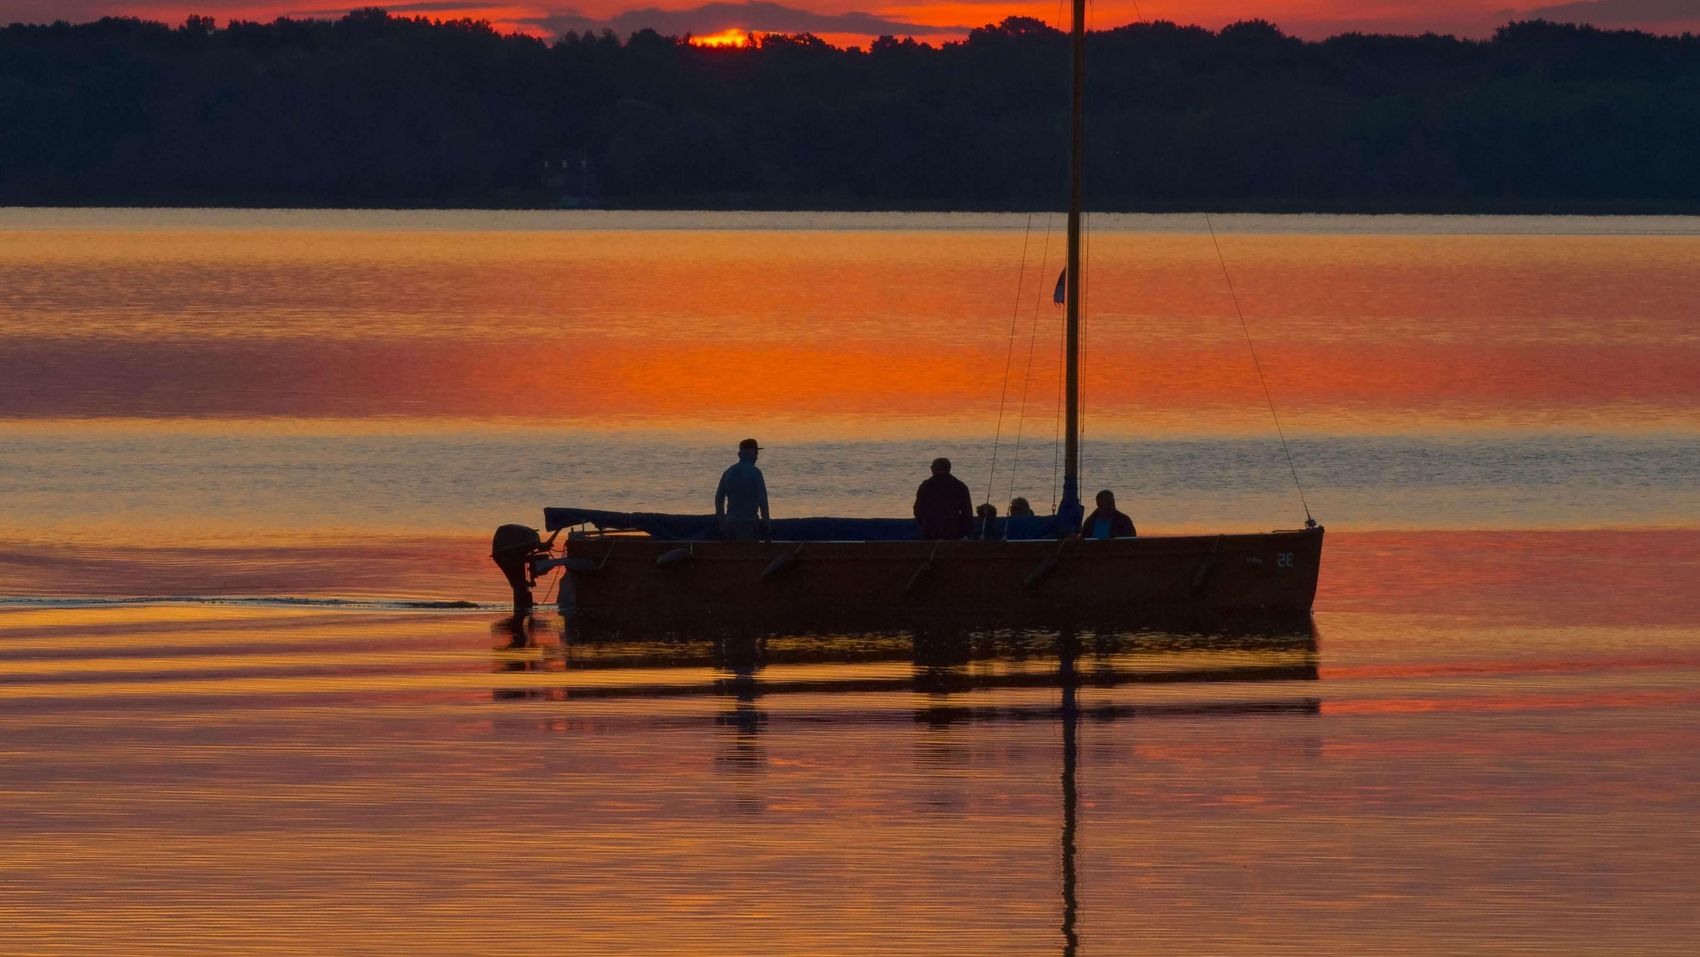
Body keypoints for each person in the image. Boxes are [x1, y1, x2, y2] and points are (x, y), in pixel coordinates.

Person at [490, 523, 558, 613]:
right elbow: (529, 553)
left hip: (503, 553)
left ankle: (522, 609)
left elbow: (526, 555)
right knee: (519, 584)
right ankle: (522, 609)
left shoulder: (530, 540)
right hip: (505, 554)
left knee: (518, 584)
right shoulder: (531, 541)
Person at [715, 438, 771, 541]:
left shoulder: (728, 472)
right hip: (749, 524)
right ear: (751, 453)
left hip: (730, 525)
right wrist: (767, 527)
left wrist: (722, 524)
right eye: (756, 453)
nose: (757, 457)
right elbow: (763, 502)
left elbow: (719, 500)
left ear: (740, 454)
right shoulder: (756, 473)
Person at [913, 457, 974, 540]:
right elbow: (967, 512)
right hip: (953, 530)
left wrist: (925, 524)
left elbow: (918, 509)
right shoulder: (959, 486)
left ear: (933, 469)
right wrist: (962, 531)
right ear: (949, 469)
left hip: (930, 531)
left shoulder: (926, 486)